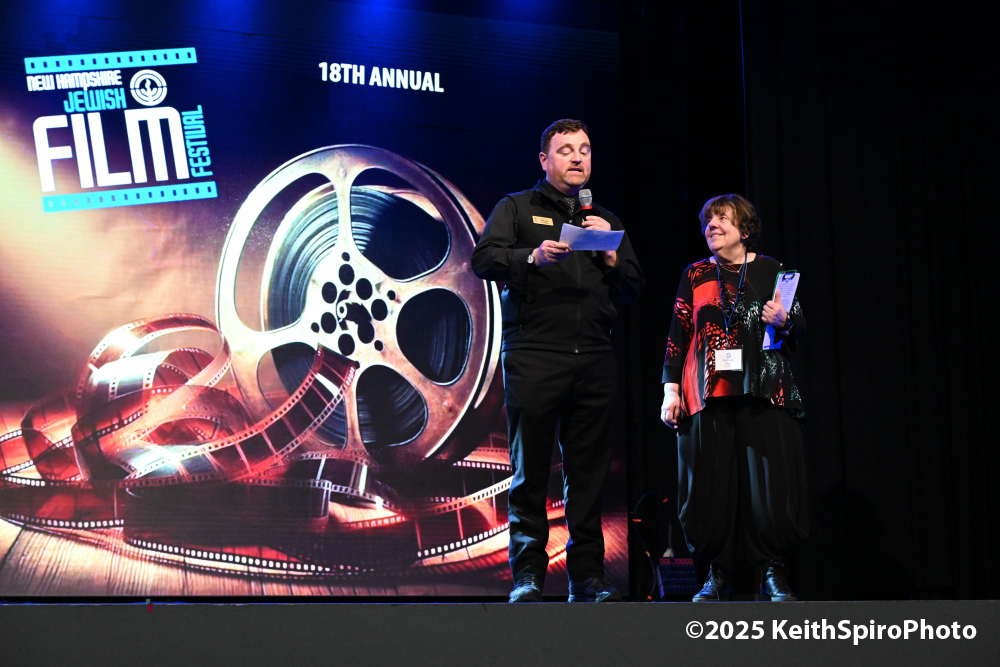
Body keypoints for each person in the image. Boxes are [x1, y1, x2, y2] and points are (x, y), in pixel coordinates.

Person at [471, 119, 644, 602]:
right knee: (530, 472)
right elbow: (483, 259)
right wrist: (532, 256)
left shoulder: (603, 219)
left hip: (594, 357)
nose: (577, 158)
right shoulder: (517, 208)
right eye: (566, 150)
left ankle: (587, 579)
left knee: (587, 475)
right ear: (544, 160)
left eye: (585, 150)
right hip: (535, 353)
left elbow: (634, 287)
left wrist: (613, 255)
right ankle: (528, 576)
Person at [660, 194, 808, 602]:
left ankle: (772, 571)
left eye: (722, 219)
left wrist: (785, 320)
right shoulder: (695, 274)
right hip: (708, 393)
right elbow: (677, 335)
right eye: (708, 221)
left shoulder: (772, 269)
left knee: (769, 486)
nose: (712, 226)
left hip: (763, 390)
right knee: (710, 486)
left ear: (744, 229)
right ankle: (717, 572)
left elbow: (797, 323)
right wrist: (670, 389)